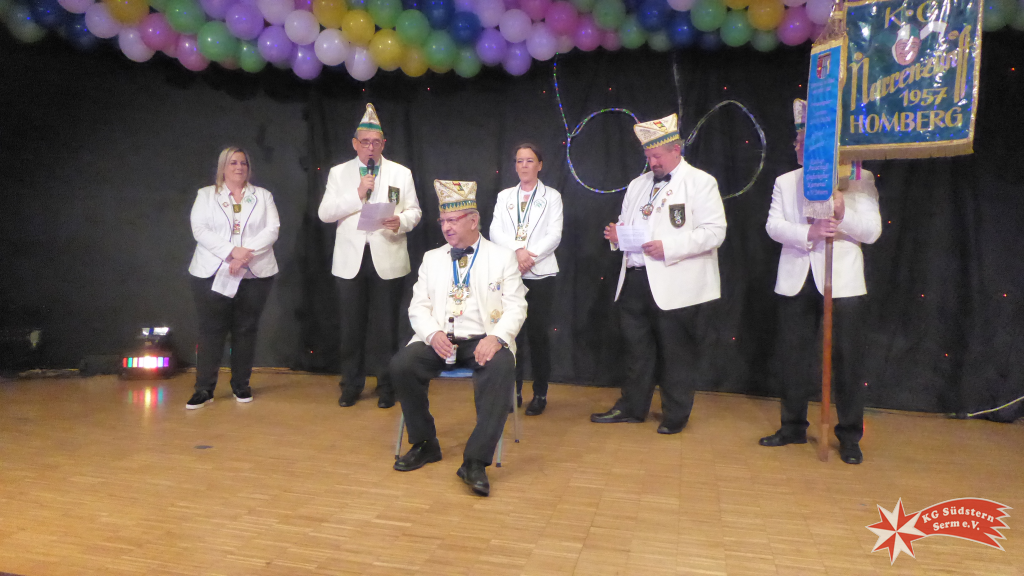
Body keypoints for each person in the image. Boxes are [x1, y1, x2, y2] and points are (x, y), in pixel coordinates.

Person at [758, 99, 882, 464]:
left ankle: (849, 436)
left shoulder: (859, 179)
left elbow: (872, 231)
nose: (798, 147)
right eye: (797, 141)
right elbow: (773, 226)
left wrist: (843, 213)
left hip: (842, 282)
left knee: (847, 360)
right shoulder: (786, 182)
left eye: (805, 142)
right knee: (793, 358)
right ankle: (792, 426)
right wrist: (808, 233)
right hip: (797, 279)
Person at [591, 113, 727, 434]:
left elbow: (715, 232)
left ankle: (675, 414)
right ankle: (632, 406)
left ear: (676, 150)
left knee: (675, 351)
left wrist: (668, 247)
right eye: (648, 156)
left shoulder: (700, 182)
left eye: (657, 156)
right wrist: (617, 236)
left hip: (676, 279)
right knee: (636, 349)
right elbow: (627, 224)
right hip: (636, 278)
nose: (652, 162)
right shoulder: (637, 185)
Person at [390, 180, 527, 497]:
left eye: (453, 220)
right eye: (443, 221)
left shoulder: (502, 257)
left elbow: (516, 306)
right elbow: (418, 306)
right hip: (440, 339)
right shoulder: (432, 258)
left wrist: (497, 338)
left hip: (483, 339)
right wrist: (432, 333)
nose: (446, 228)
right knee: (402, 365)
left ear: (473, 221)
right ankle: (425, 443)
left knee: (501, 367)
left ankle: (475, 461)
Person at [319, 104, 423, 408]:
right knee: (351, 327)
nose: (370, 147)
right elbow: (325, 213)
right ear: (355, 144)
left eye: (376, 142)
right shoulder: (339, 173)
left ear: (383, 144)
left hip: (387, 256)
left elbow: (415, 211)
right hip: (350, 261)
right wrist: (358, 193)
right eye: (365, 142)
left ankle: (388, 385)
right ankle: (351, 384)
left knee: (386, 328)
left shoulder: (400, 173)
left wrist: (400, 221)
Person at [186, 147, 280, 409]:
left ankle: (241, 385)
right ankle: (204, 389)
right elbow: (200, 230)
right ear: (223, 167)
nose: (239, 167)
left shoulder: (262, 196)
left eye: (243, 163)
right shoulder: (206, 195)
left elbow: (272, 230)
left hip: (254, 272)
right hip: (212, 272)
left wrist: (244, 255)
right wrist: (231, 252)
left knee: (246, 330)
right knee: (211, 332)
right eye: (233, 163)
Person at [488, 143, 563, 416]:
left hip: (541, 272)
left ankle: (540, 393)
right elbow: (495, 230)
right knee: (510, 335)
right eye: (519, 161)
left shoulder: (552, 196)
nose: (523, 166)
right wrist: (517, 252)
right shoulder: (505, 196)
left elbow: (554, 234)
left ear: (539, 165)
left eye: (529, 161)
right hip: (511, 273)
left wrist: (530, 256)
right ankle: (513, 391)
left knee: (538, 335)